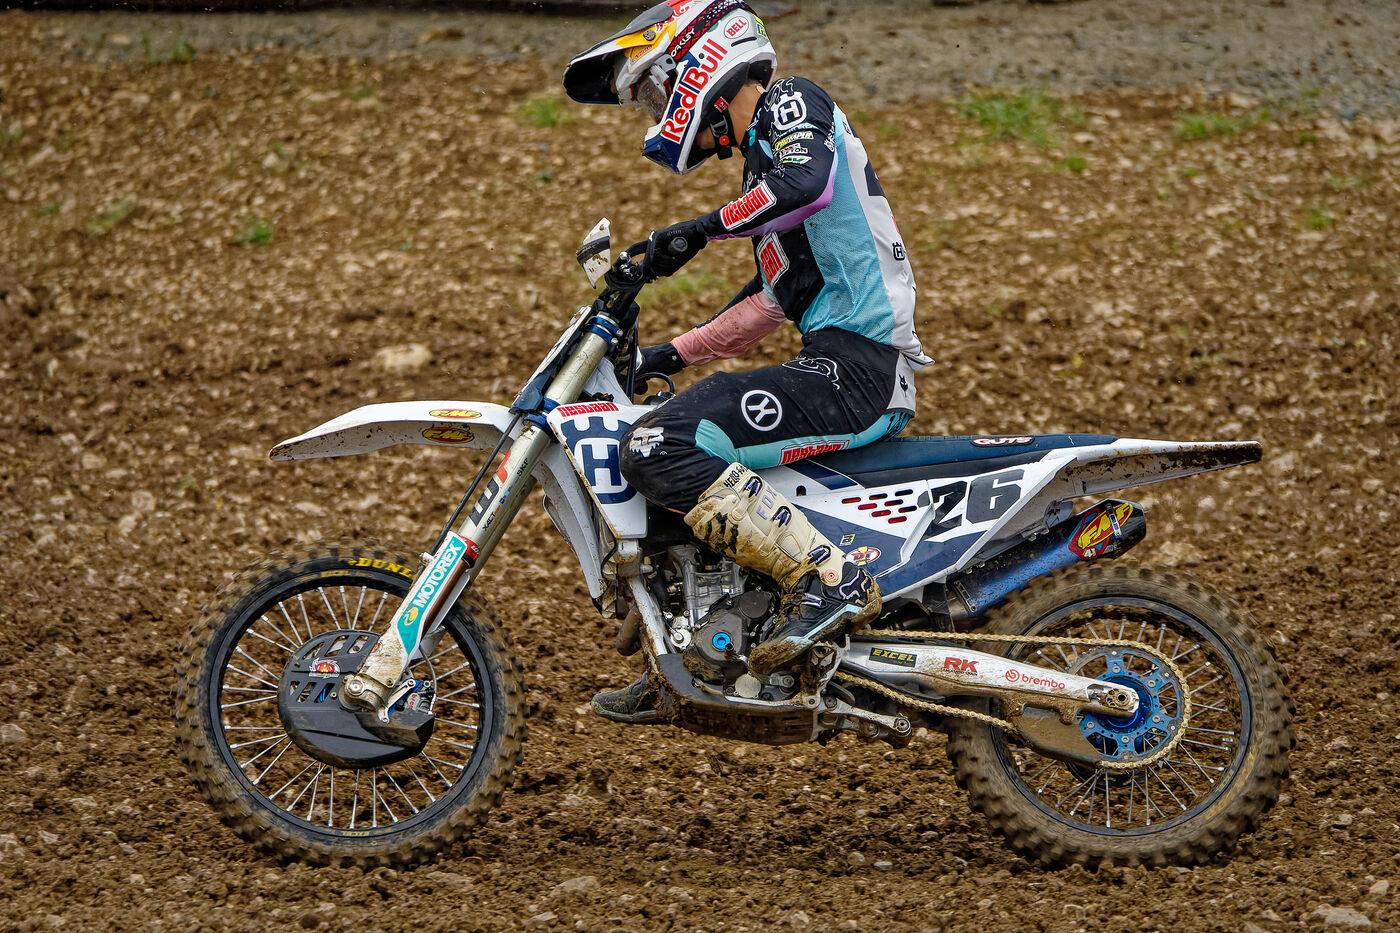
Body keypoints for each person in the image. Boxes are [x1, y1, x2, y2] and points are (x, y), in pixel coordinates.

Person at [563, 0, 930, 721]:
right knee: (658, 436)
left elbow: (805, 185)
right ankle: (697, 653)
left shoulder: (792, 102)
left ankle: (831, 581)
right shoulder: (764, 161)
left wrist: (695, 233)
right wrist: (666, 354)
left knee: (660, 443)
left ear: (702, 63)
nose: (661, 113)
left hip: (861, 369)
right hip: (838, 362)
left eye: (658, 92)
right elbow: (769, 300)